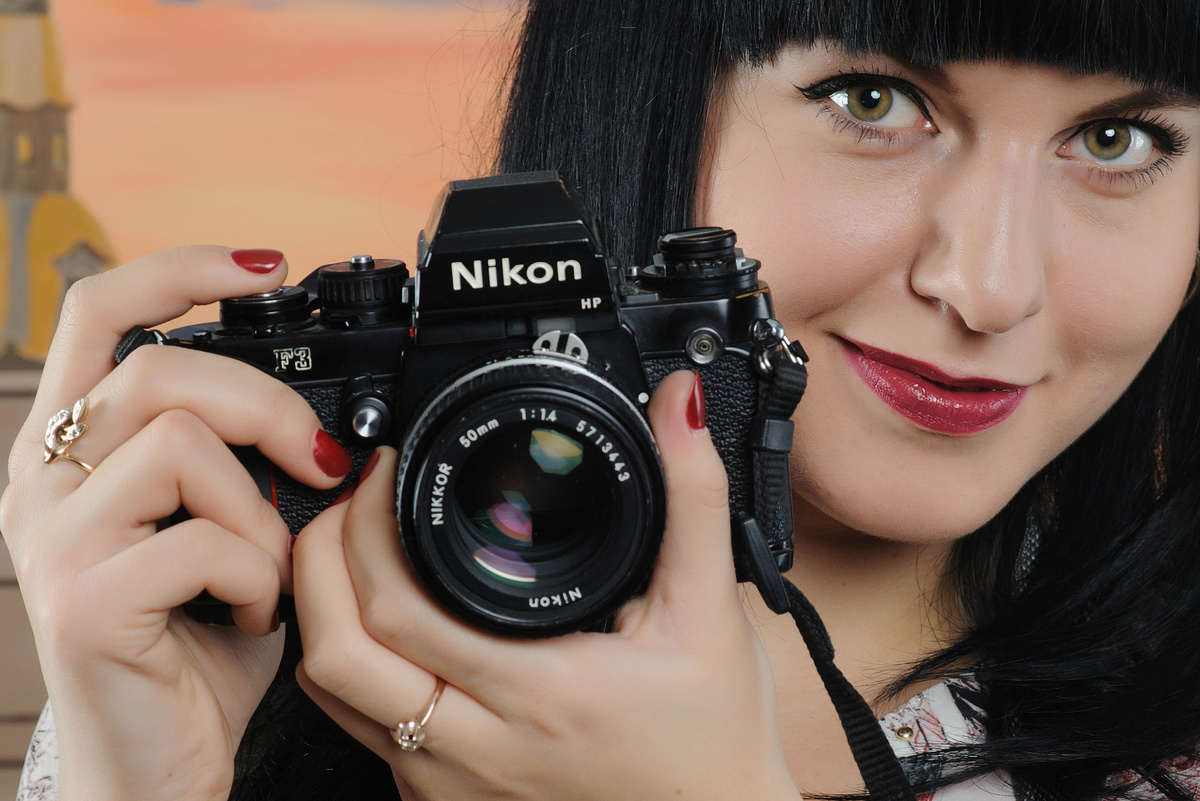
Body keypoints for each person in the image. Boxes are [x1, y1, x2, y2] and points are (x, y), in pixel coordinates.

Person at [5, 0, 1200, 799]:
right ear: (643, 91)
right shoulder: (219, 669)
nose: (991, 287)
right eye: (873, 100)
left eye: (1118, 137)